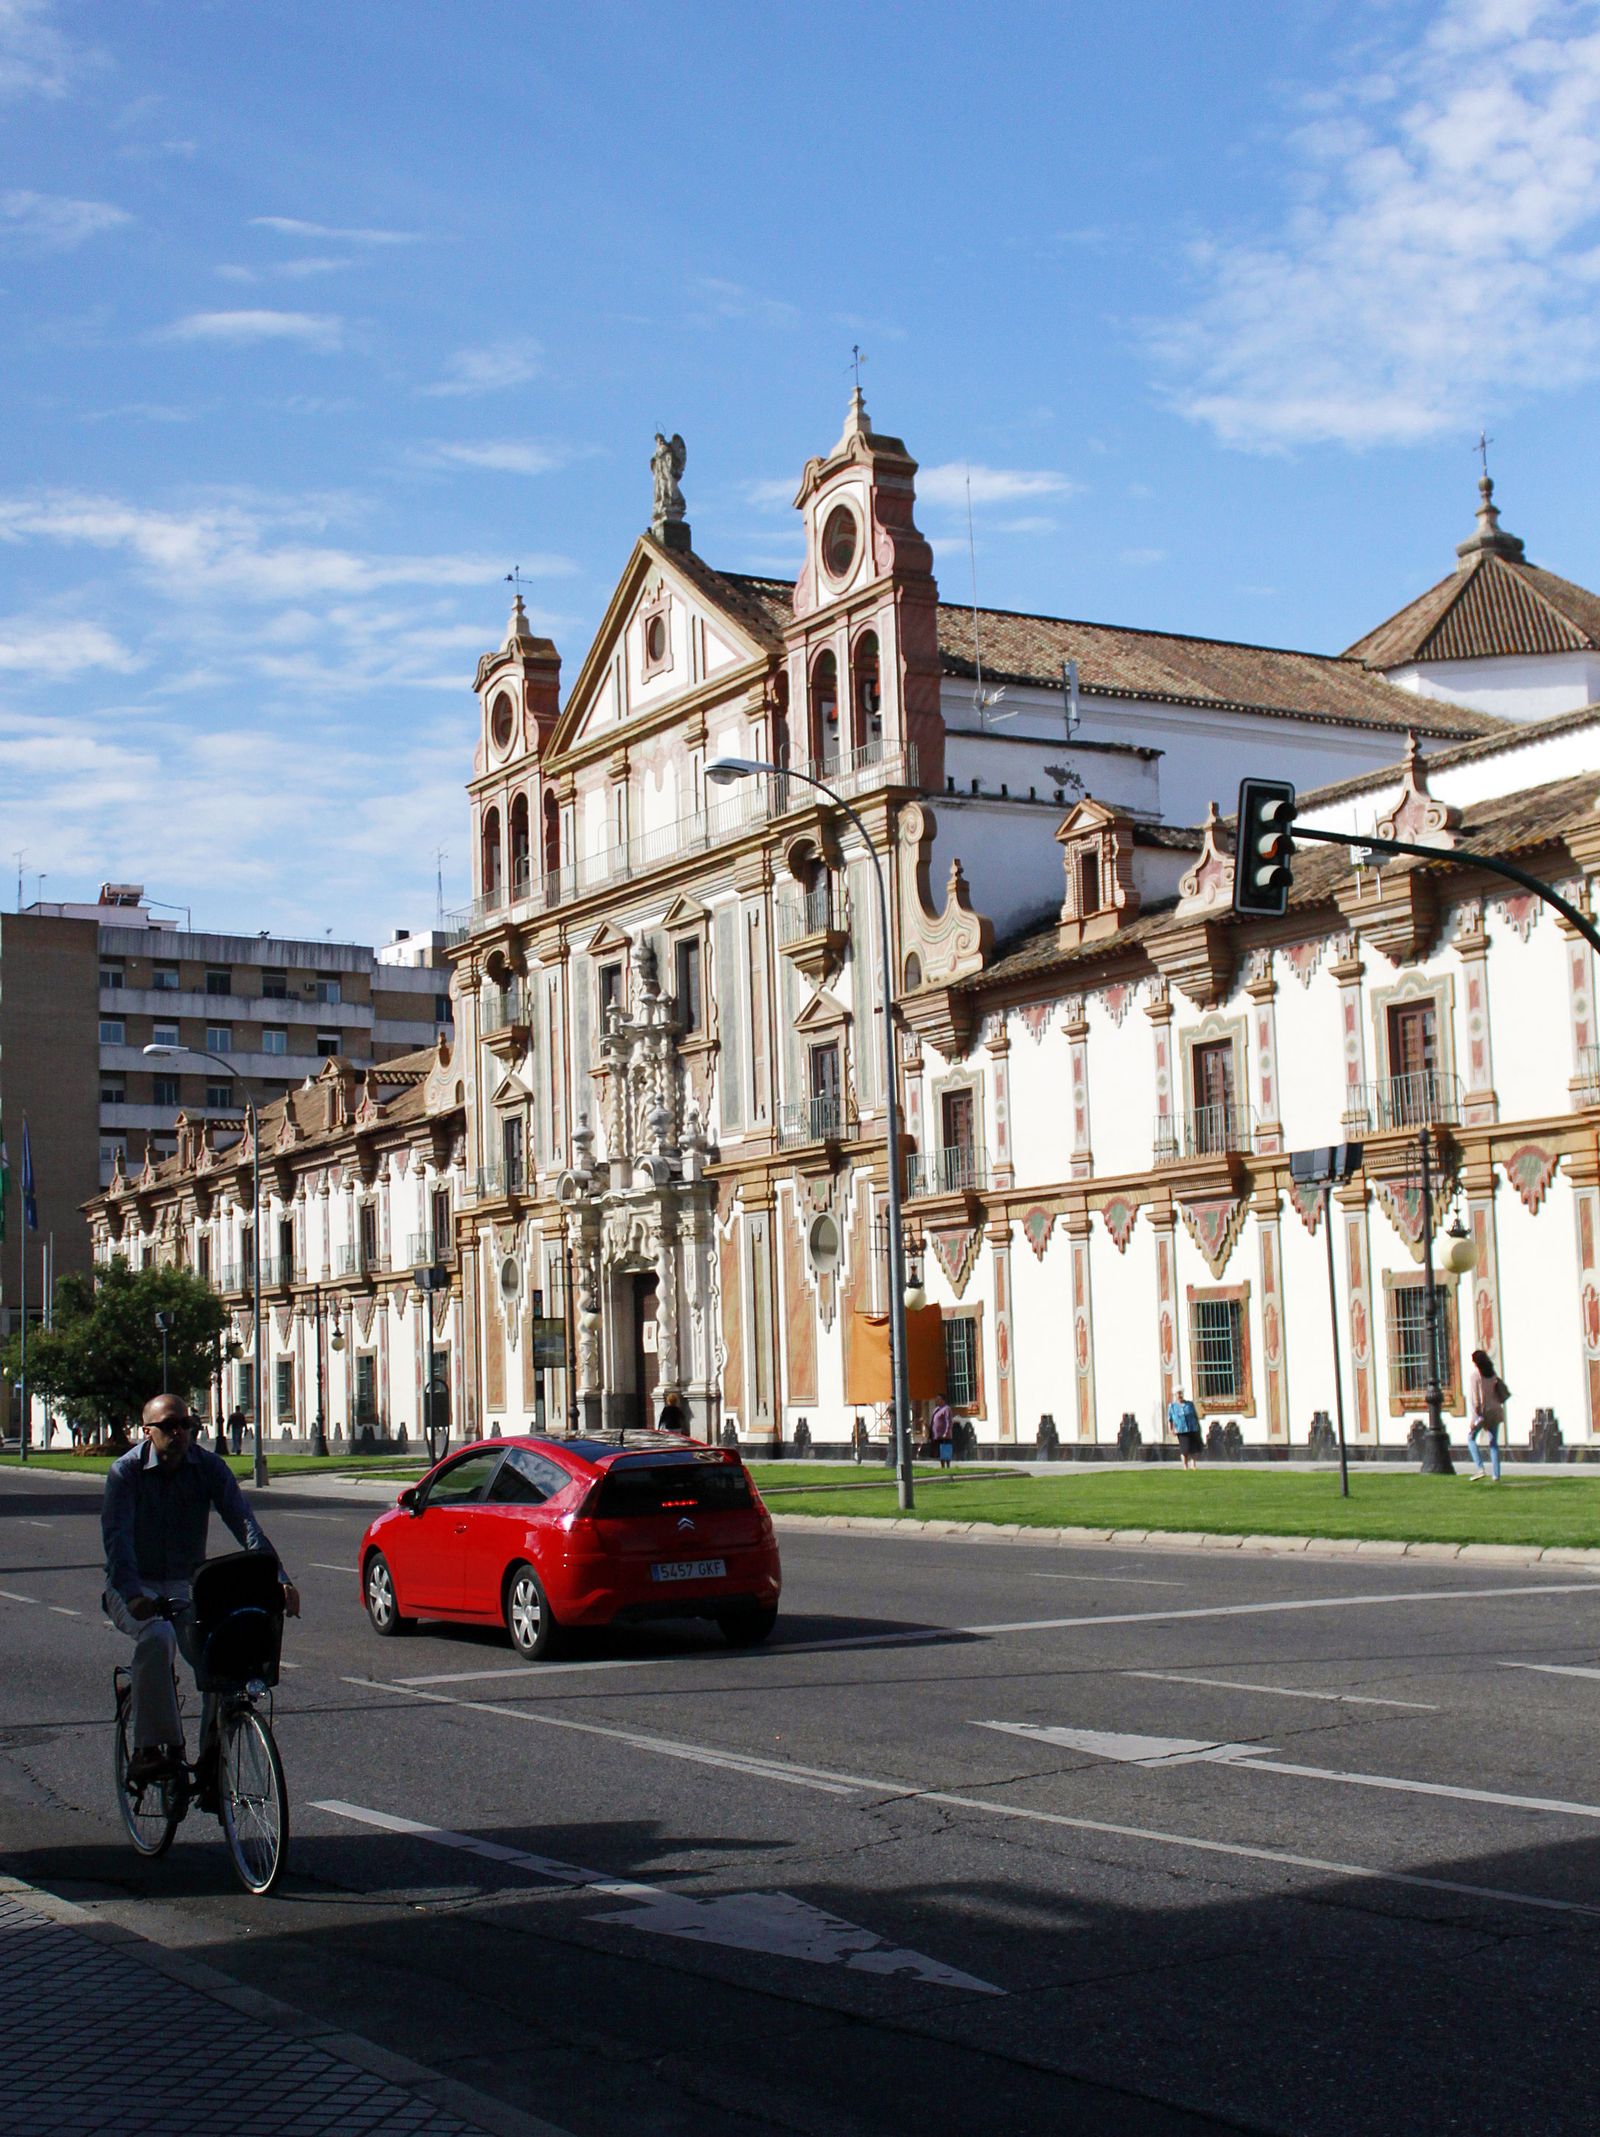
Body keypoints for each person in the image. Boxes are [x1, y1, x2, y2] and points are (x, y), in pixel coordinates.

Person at [102, 1394, 300, 1795]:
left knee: (220, 1659)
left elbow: (243, 1521)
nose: (179, 1433)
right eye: (169, 1426)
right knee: (157, 1637)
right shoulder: (126, 1473)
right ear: (147, 1431)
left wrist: (278, 1577)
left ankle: (212, 1763)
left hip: (183, 1584)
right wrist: (132, 1593)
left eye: (186, 1425)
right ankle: (149, 1750)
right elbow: (118, 1542)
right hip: (134, 1584)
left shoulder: (208, 1467)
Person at [1467, 1348, 1510, 1482]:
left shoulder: (1475, 1376)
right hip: (1496, 1410)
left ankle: (1480, 1468)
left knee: (1471, 1438)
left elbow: (1476, 1401)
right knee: (1493, 1443)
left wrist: (1475, 1419)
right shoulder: (1491, 1373)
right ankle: (1496, 1475)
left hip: (1483, 1413)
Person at [1167, 1387, 1202, 1469]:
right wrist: (1171, 1429)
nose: (1180, 1395)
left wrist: (1198, 1427)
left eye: (1181, 1393)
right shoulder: (1172, 1406)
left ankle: (1193, 1465)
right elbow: (1170, 1419)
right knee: (1184, 1449)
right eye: (1178, 1393)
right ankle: (1185, 1466)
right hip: (1181, 1429)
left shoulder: (1189, 1404)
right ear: (1175, 1395)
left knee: (1193, 1448)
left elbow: (1195, 1416)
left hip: (1192, 1428)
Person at [929, 1396, 954, 1469]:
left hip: (944, 1435)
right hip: (937, 1435)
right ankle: (942, 1466)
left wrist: (946, 1432)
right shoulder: (937, 1409)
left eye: (938, 1400)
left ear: (943, 1400)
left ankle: (948, 1466)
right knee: (940, 1451)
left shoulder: (946, 1409)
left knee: (945, 1450)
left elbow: (948, 1421)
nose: (936, 1401)